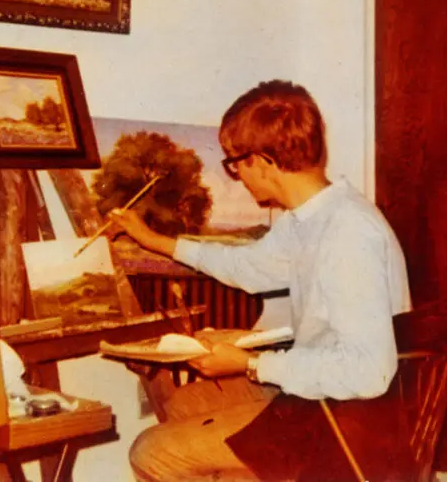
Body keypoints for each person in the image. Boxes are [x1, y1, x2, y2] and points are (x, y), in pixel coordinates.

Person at [106, 80, 411, 481]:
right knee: (184, 405)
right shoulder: (308, 217)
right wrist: (155, 241)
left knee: (152, 452)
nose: (236, 176)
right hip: (320, 397)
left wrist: (251, 363)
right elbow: (250, 267)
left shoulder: (348, 232)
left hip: (349, 418)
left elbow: (369, 371)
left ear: (263, 161)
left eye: (234, 162)